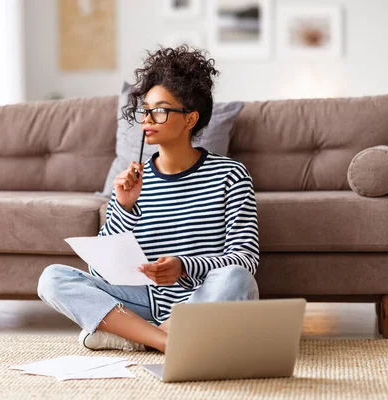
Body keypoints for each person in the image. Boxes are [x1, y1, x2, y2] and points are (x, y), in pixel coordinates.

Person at [37, 45, 259, 353]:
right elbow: (101, 273)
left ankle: (134, 336)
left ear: (190, 119)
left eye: (161, 110)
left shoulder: (230, 175)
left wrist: (183, 267)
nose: (147, 119)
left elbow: (245, 259)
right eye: (146, 110)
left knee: (238, 280)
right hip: (139, 300)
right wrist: (125, 206)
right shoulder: (134, 180)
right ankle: (164, 340)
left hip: (200, 299)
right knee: (52, 279)